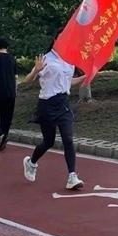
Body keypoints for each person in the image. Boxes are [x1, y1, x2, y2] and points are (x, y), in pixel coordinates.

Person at [21, 41, 86, 190]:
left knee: (68, 139)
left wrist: (86, 77)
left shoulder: (69, 59)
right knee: (48, 142)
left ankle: (72, 176)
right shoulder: (46, 58)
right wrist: (36, 71)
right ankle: (31, 162)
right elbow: (27, 80)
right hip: (47, 105)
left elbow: (68, 82)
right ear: (56, 40)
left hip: (63, 104)